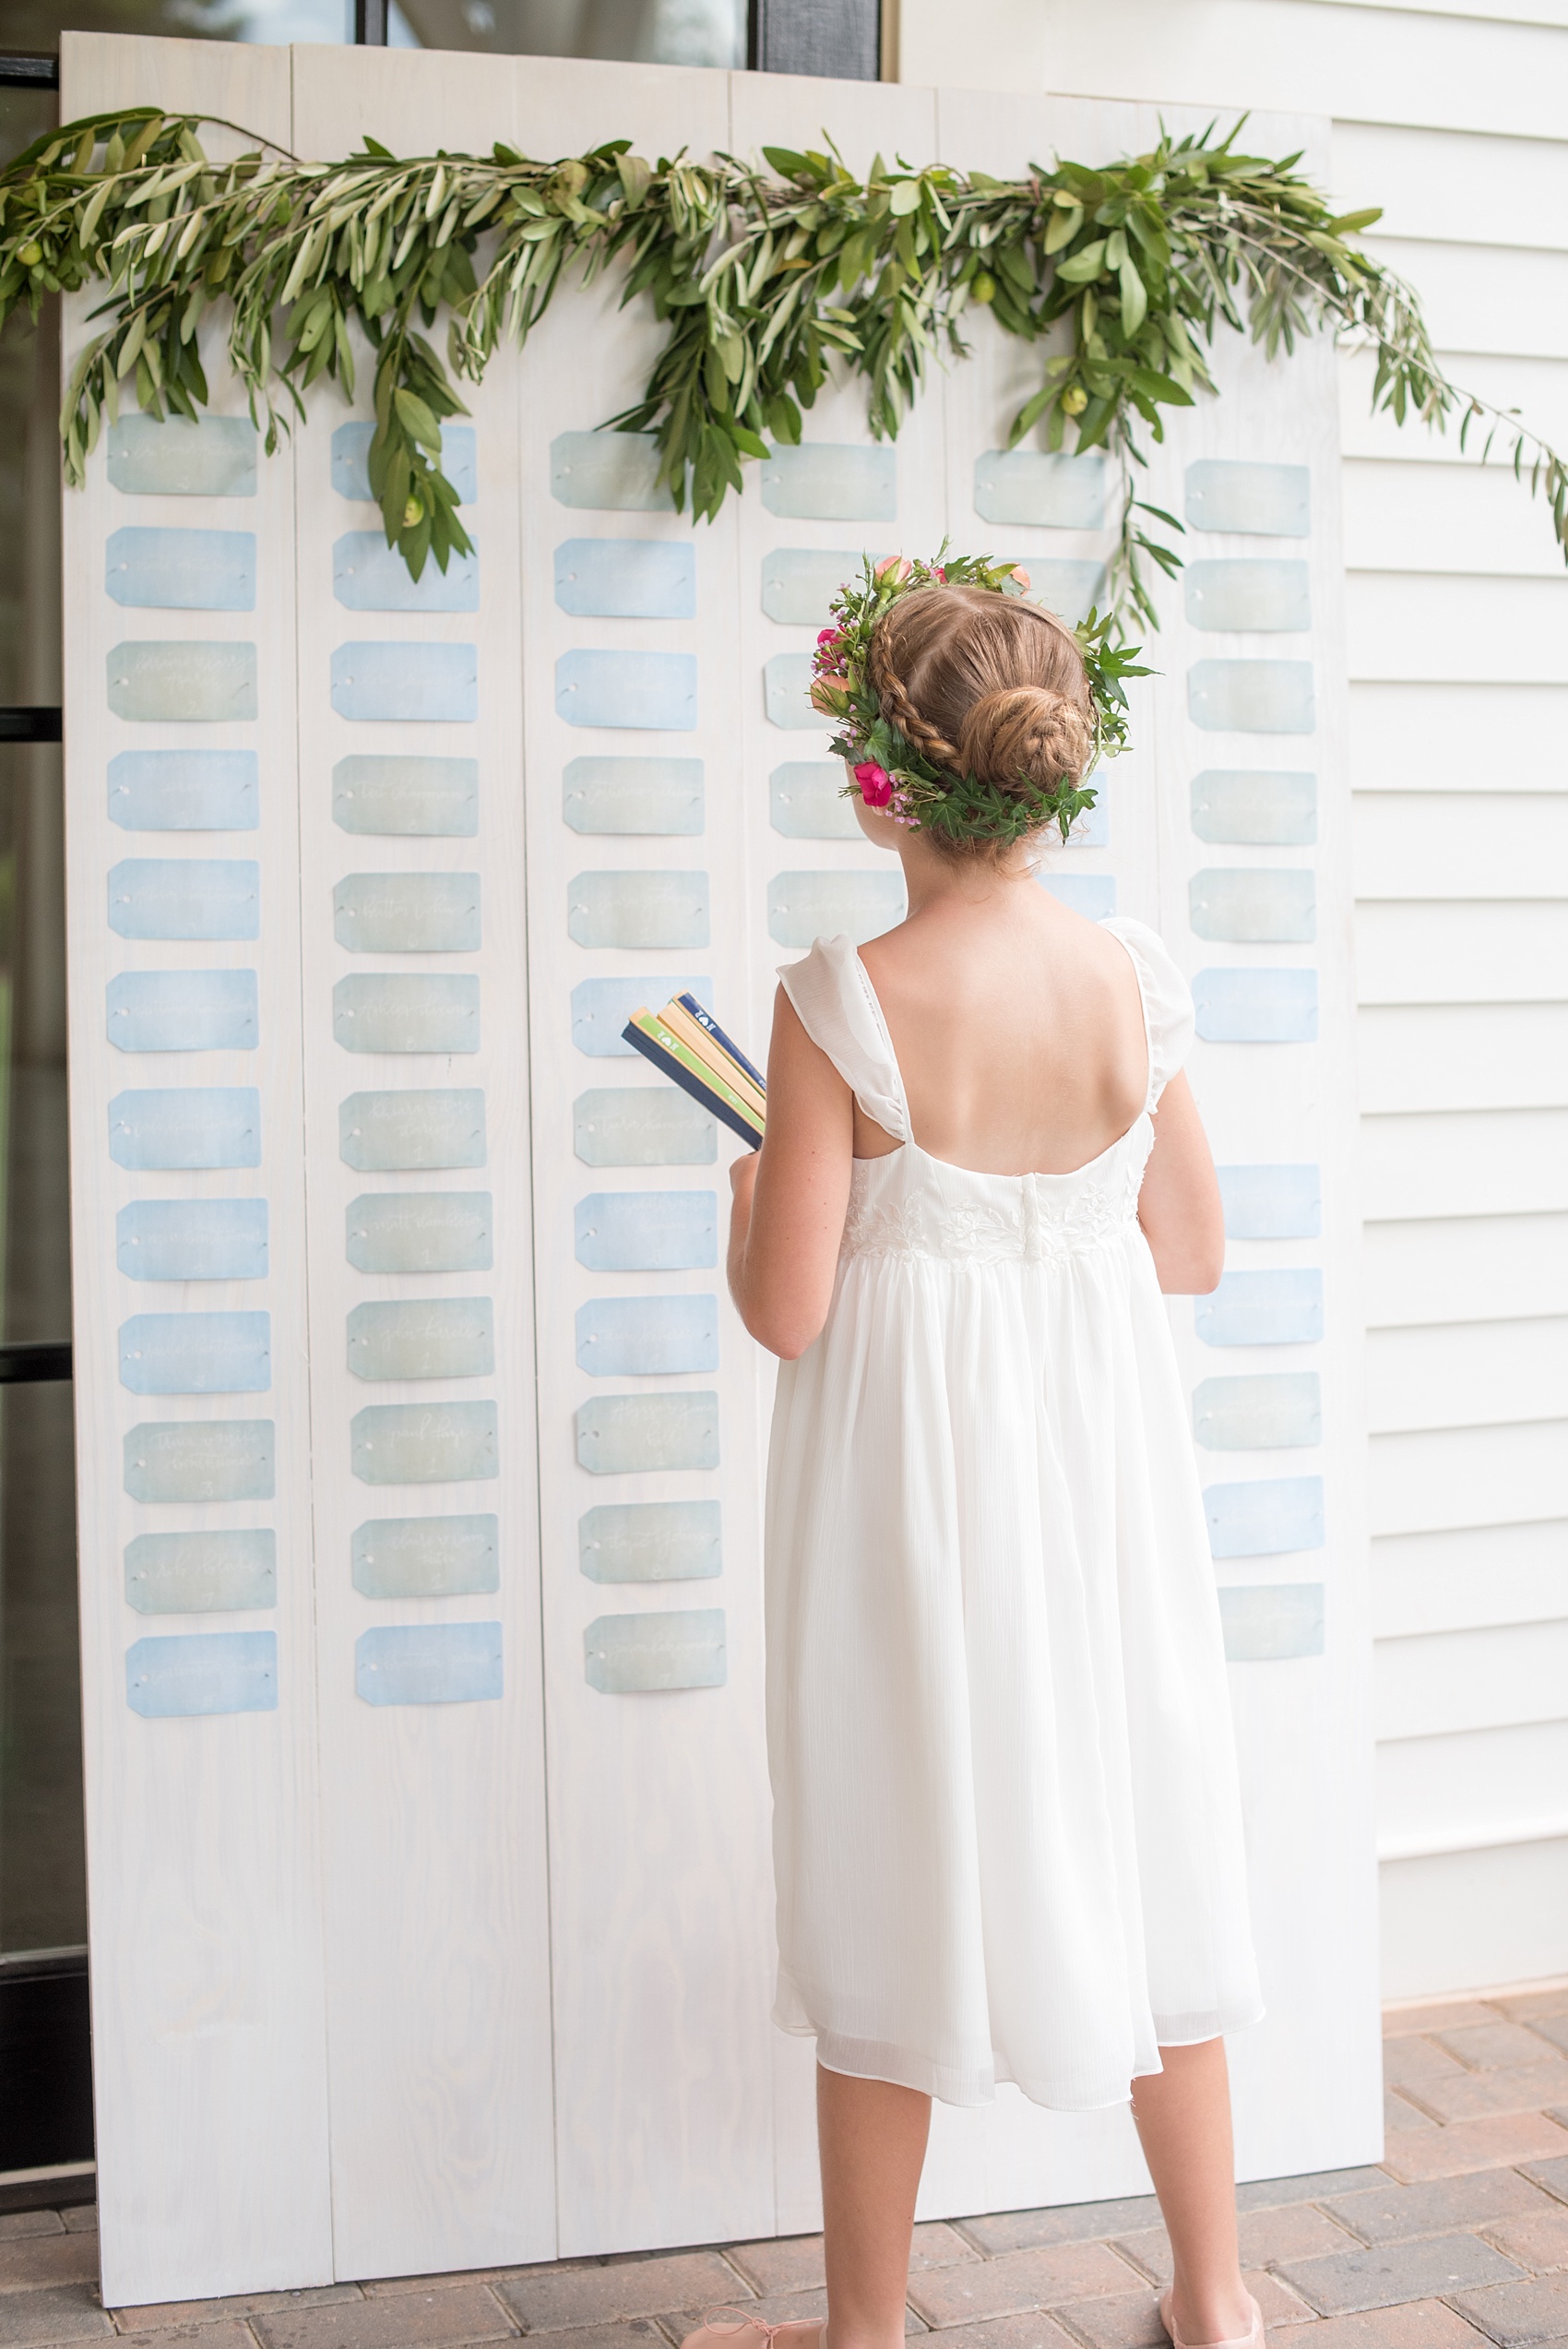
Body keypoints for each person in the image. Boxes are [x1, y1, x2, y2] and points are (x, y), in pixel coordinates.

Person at [695, 560, 1266, 2349]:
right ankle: (1219, 2292)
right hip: (1101, 1498)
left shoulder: (834, 1002)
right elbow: (1188, 1249)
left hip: (913, 1515)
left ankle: (867, 2329)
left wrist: (745, 1198)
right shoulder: (1129, 980)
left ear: (878, 771)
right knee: (1144, 1828)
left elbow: (786, 1309)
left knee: (893, 1848)